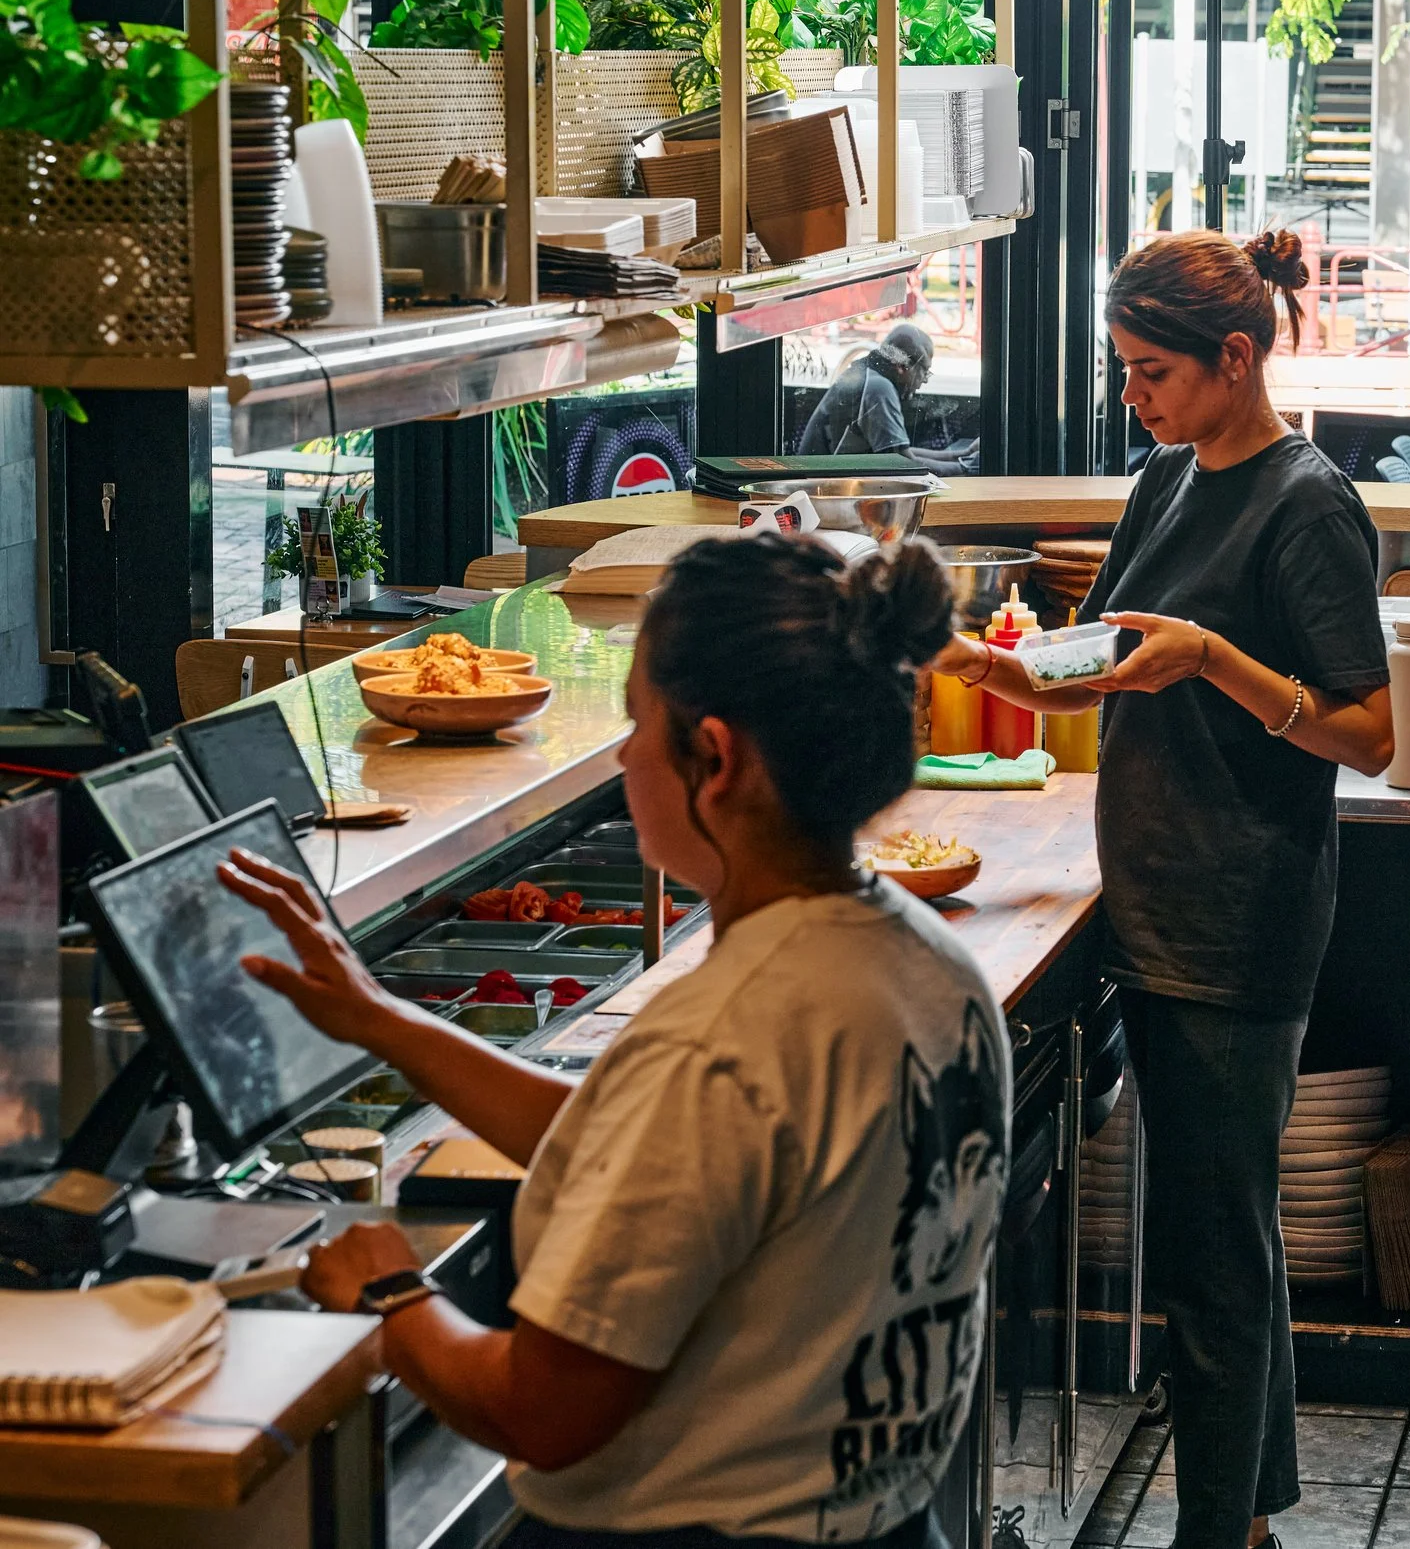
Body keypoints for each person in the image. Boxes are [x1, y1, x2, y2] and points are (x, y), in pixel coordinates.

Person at [219, 534, 1008, 1549]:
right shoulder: (931, 964)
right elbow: (655, 1146)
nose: (625, 758)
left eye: (637, 725)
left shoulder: (719, 1042)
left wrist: (387, 1290)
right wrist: (380, 1015)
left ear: (715, 758)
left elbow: (540, 1410)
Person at [933, 228, 1394, 1549]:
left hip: (1234, 916)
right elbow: (1104, 654)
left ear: (1235, 356)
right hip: (1154, 898)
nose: (1132, 395)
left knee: (1216, 1253)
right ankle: (1244, 1518)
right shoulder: (1168, 475)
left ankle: (1217, 1529)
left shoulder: (1307, 504)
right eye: (1124, 369)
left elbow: (1369, 733)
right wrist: (989, 664)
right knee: (1223, 1240)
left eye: (1152, 372)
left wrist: (1214, 660)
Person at [798, 322, 972, 475]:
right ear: (902, 366)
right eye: (924, 371)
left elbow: (900, 452)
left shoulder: (868, 374)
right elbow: (902, 463)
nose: (925, 380)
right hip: (821, 485)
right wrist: (967, 468)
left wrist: (963, 454)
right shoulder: (878, 388)